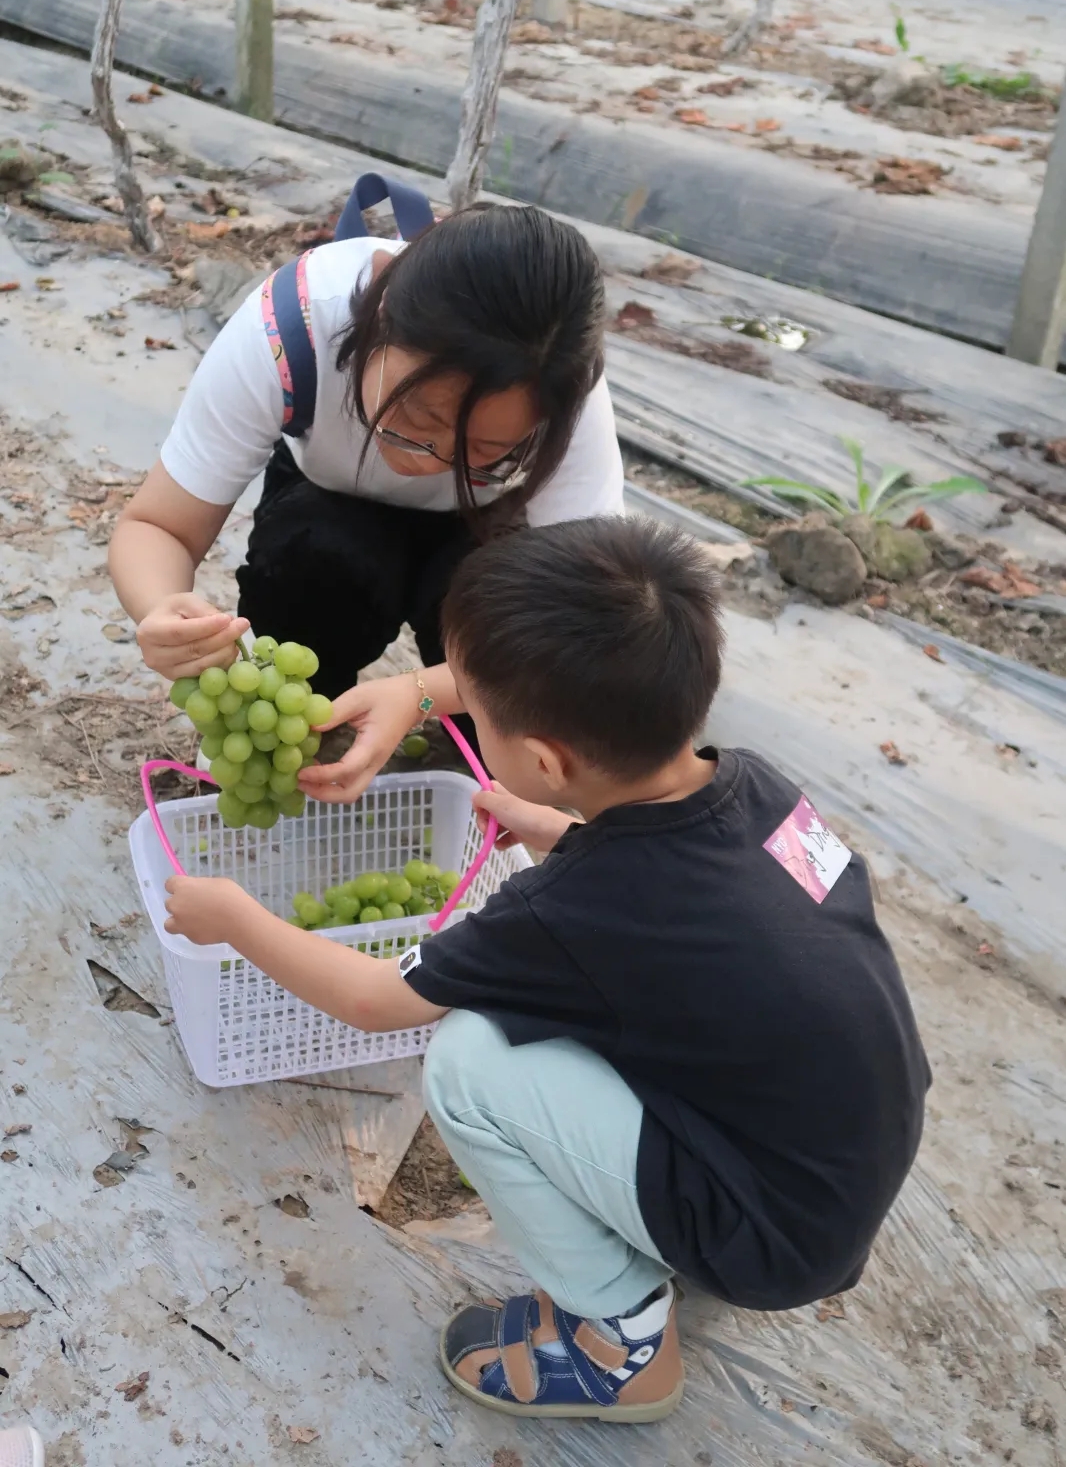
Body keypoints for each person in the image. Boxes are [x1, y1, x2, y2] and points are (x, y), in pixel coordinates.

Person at [162, 516, 930, 1424]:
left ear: (545, 762)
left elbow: (374, 1001)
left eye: (474, 714)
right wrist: (566, 834)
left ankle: (624, 1350)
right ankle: (679, 1230)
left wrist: (236, 919)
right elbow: (730, 914)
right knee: (603, 1011)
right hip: (839, 1162)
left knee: (470, 1061)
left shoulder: (570, 912)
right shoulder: (754, 783)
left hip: (771, 1235)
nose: (464, 723)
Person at [109, 202, 624, 795]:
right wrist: (160, 608)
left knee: (523, 711)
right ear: (378, 314)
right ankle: (316, 726)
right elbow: (158, 526)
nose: (426, 461)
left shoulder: (566, 395)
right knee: (317, 559)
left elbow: (587, 624)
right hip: (327, 508)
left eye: (483, 448)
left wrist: (423, 692)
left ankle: (467, 728)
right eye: (414, 415)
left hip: (477, 533)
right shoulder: (291, 329)